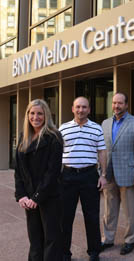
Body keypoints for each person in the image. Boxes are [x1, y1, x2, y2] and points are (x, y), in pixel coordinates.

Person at [14, 99, 63, 261]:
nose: (36, 117)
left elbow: (53, 172)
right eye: (32, 113)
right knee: (35, 239)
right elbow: (19, 171)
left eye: (40, 113)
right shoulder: (23, 137)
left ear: (46, 115)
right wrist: (21, 195)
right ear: (27, 115)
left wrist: (37, 197)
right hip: (28, 198)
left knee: (51, 238)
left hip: (48, 196)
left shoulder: (54, 137)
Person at [59, 97, 107, 261]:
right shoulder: (63, 129)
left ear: (89, 109)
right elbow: (57, 153)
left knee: (92, 216)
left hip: (89, 175)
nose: (81, 110)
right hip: (67, 176)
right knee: (65, 217)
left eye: (84, 107)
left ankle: (94, 252)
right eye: (78, 107)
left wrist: (103, 175)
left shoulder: (96, 128)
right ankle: (64, 253)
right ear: (73, 109)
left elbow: (102, 152)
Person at [101, 92, 134, 255]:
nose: (116, 106)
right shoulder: (105, 123)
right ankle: (107, 238)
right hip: (109, 174)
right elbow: (102, 150)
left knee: (130, 211)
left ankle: (130, 240)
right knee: (109, 210)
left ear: (126, 105)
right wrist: (101, 172)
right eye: (114, 103)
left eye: (120, 103)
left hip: (129, 173)